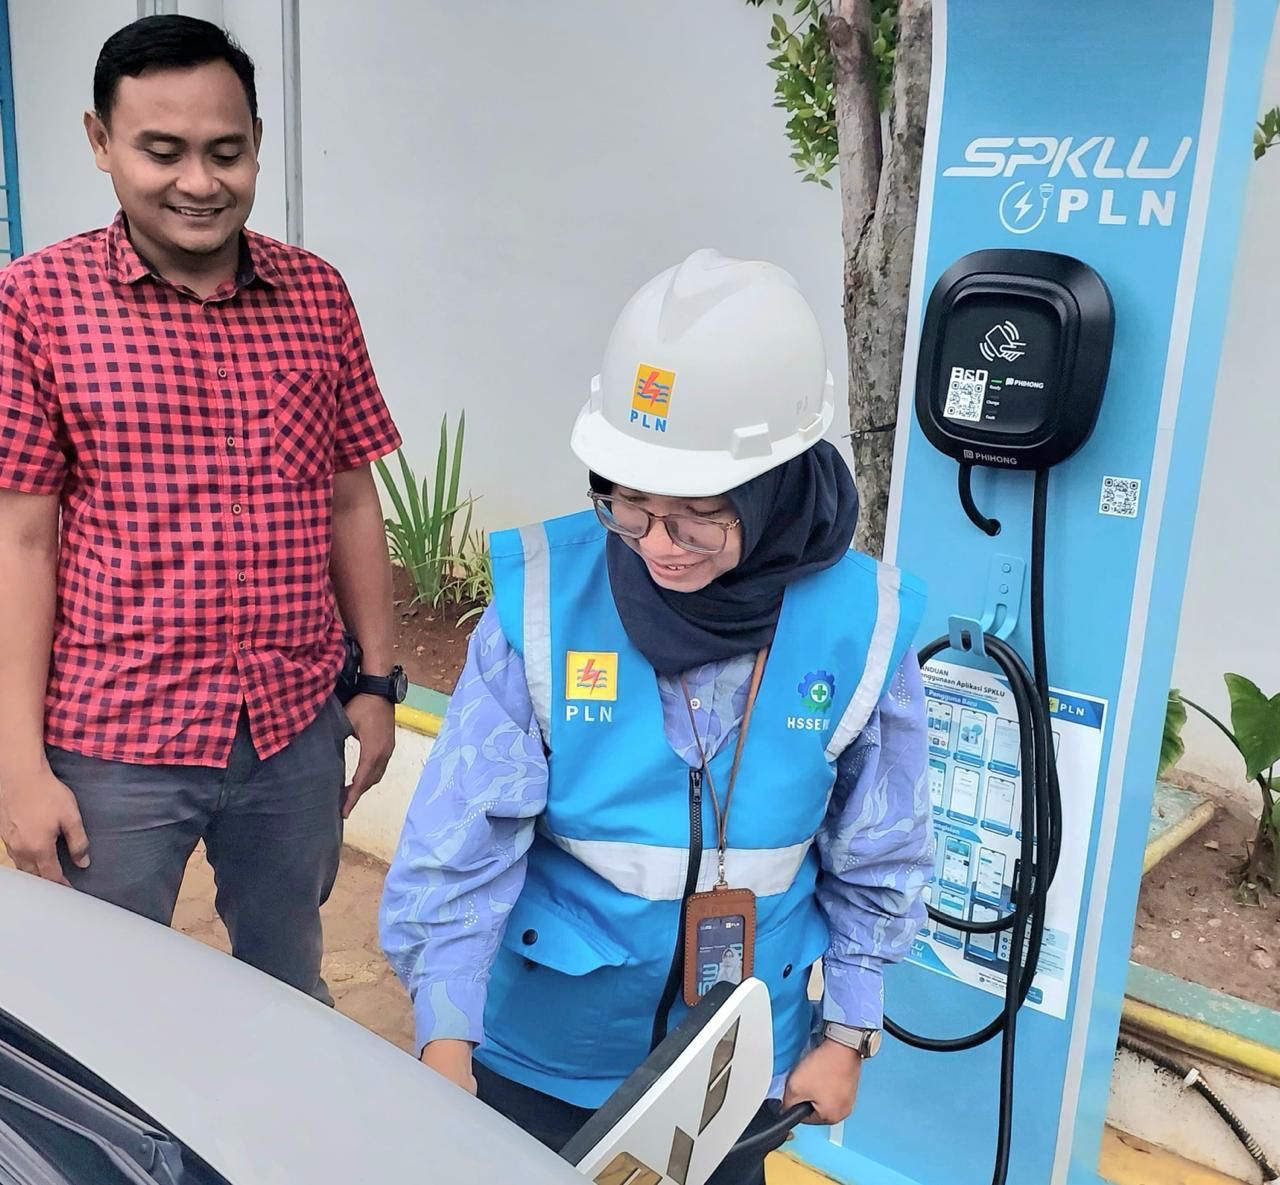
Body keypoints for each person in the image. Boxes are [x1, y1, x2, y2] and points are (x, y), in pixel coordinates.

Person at [381, 249, 932, 1182]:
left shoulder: (861, 625)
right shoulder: (547, 601)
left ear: (774, 486)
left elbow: (882, 850)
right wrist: (444, 1031)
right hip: (540, 1054)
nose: (658, 545)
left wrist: (849, 1030)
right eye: (629, 505)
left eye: (698, 516)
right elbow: (461, 843)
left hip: (734, 1068)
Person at [0, 15, 406, 1003]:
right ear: (100, 142)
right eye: (162, 151)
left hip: (291, 729)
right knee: (100, 1009)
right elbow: (21, 540)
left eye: (226, 152)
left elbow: (349, 497)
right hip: (113, 738)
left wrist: (376, 682)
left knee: (286, 983)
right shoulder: (34, 302)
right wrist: (17, 762)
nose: (198, 181)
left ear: (257, 141)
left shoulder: (316, 295)